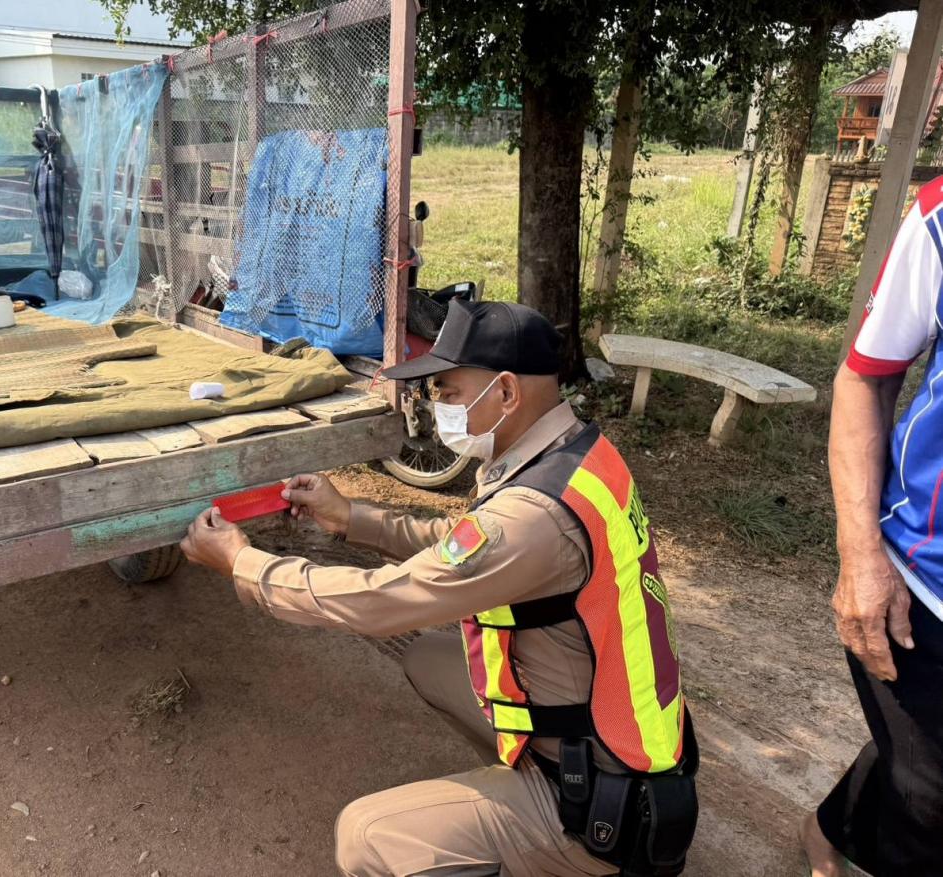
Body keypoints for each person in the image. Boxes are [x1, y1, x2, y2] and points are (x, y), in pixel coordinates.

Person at [180, 300, 699, 877]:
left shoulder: (532, 517)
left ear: (505, 393)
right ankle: (520, 795)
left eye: (448, 392)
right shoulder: (575, 457)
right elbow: (462, 544)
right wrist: (350, 515)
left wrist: (243, 563)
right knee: (431, 658)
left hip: (600, 805)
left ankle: (554, 849)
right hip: (616, 740)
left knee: (366, 837)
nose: (437, 408)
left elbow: (380, 603)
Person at [801, 176, 943, 877]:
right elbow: (864, 377)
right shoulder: (941, 217)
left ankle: (831, 830)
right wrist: (860, 557)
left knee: (921, 759)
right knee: (929, 806)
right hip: (930, 588)